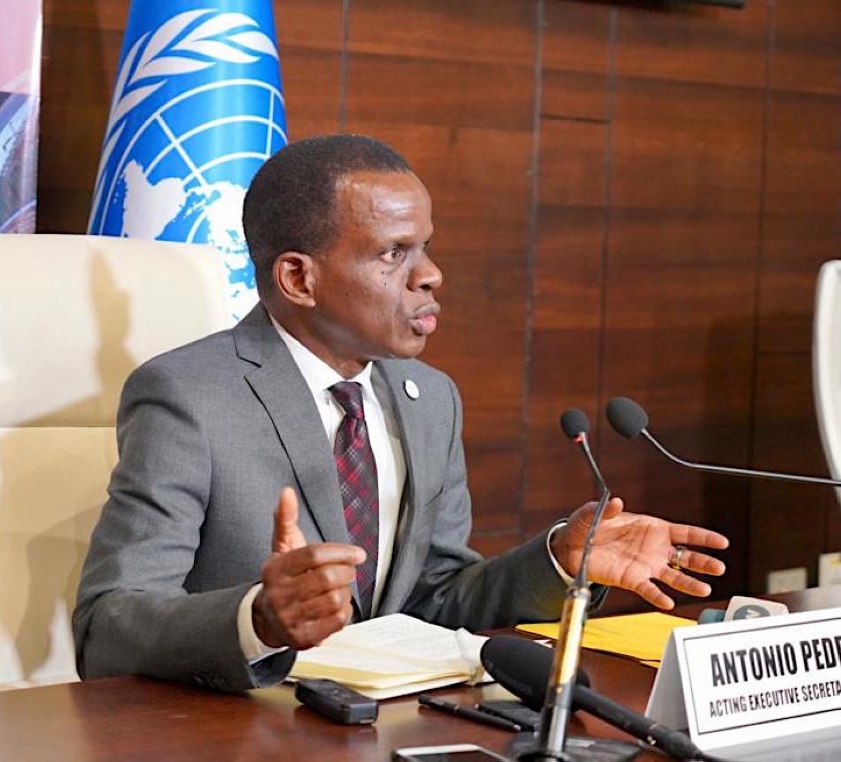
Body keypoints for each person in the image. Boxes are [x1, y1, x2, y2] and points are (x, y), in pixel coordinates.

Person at [73, 134, 728, 693]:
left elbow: (434, 600)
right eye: (394, 253)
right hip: (240, 731)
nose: (432, 275)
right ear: (299, 279)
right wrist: (259, 619)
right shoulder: (190, 394)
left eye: (426, 247)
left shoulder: (430, 398)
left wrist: (559, 560)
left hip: (388, 726)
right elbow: (108, 625)